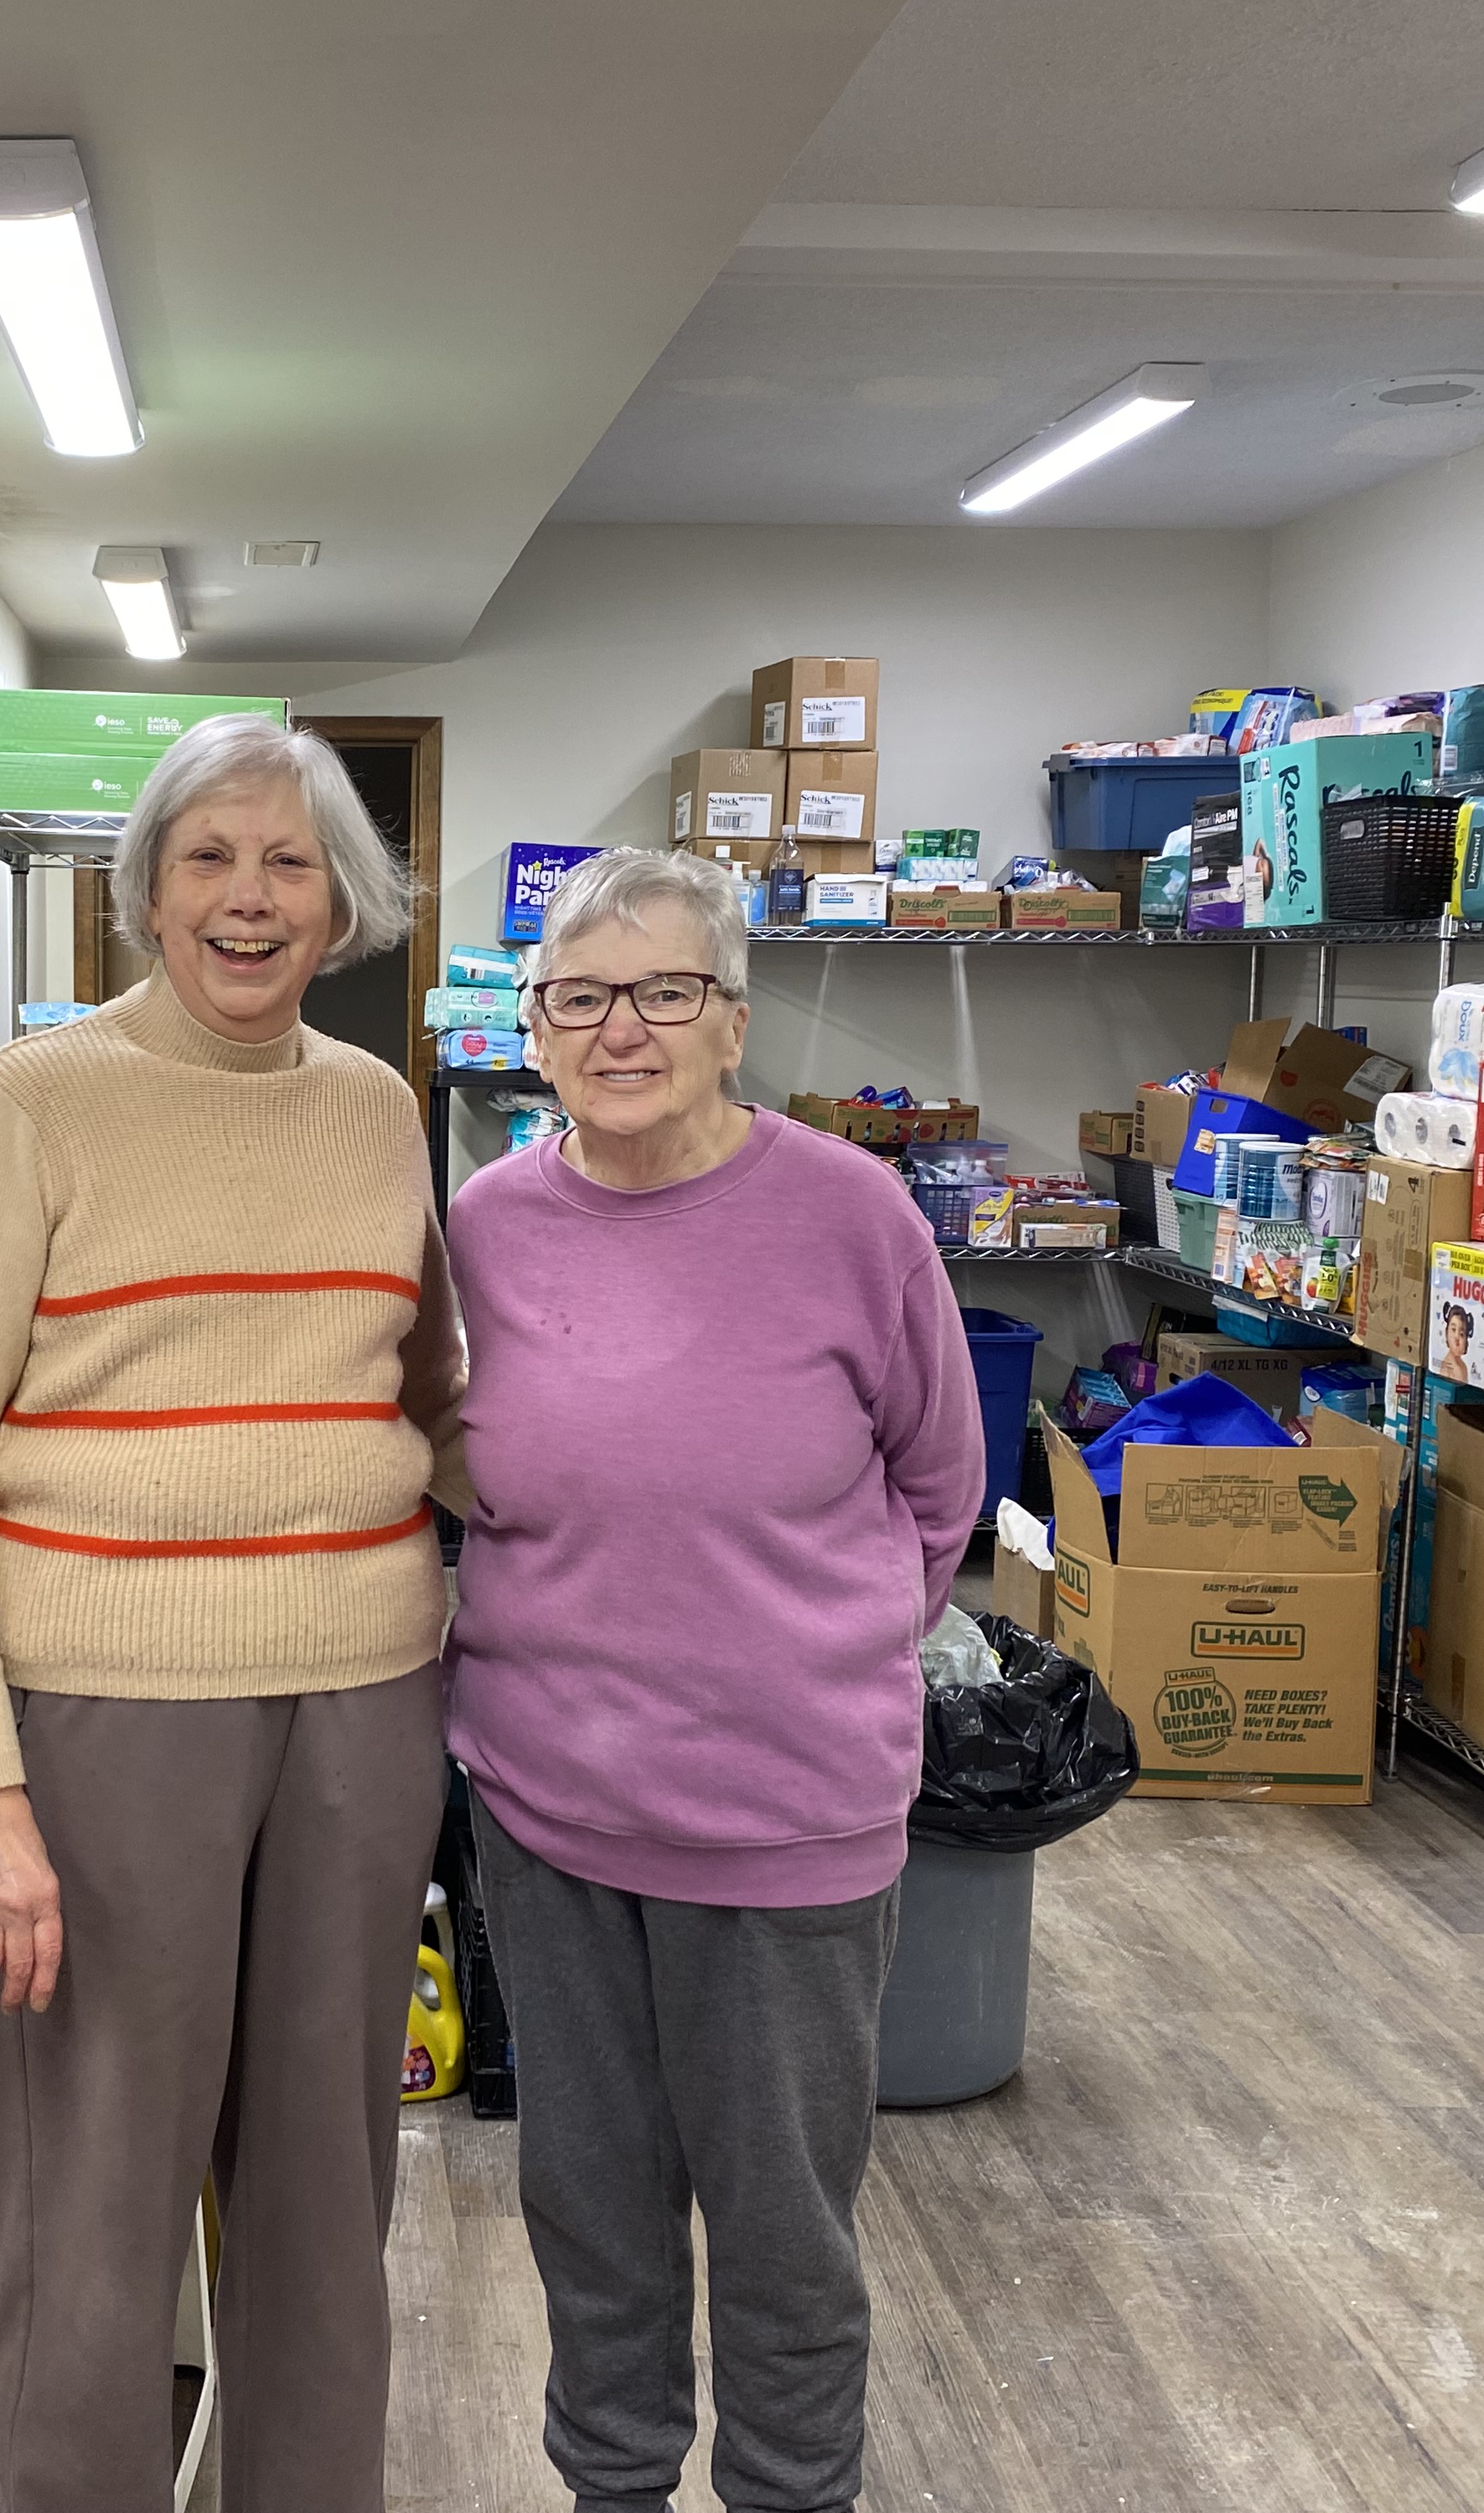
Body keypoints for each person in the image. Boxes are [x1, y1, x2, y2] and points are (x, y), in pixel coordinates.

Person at [0, 711, 465, 2513]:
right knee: (94, 2222)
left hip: (364, 1712)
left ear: (344, 903)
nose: (249, 898)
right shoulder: (37, 1104)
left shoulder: (376, 1112)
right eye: (209, 857)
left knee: (320, 2212)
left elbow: (431, 1404)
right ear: (143, 893)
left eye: (291, 863)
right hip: (108, 1723)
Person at [443, 845, 985, 2513]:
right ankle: (612, 2491)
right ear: (533, 1027)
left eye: (665, 989)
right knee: (588, 2215)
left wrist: (800, 1660)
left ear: (731, 1020)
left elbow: (940, 1484)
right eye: (582, 995)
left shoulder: (849, 1213)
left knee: (782, 2236)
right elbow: (457, 1474)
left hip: (782, 1820)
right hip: (548, 1814)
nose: (623, 1028)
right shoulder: (483, 1227)